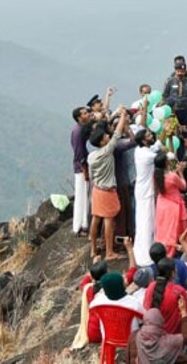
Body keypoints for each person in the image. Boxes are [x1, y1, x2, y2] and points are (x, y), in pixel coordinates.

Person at [88, 107, 130, 261]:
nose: (108, 136)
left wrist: (109, 117)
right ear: (101, 141)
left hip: (96, 189)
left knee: (96, 218)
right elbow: (118, 133)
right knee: (109, 220)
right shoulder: (107, 151)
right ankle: (109, 251)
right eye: (105, 136)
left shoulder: (92, 156)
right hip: (107, 191)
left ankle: (93, 248)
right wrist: (124, 116)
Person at [143, 258, 187, 338]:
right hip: (174, 336)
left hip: (154, 333)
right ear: (173, 273)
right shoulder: (178, 291)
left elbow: (146, 307)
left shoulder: (150, 287)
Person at [133, 129, 162, 266]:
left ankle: (142, 248)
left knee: (142, 221)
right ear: (144, 141)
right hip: (146, 192)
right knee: (146, 222)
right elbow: (163, 156)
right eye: (149, 136)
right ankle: (145, 255)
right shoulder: (146, 156)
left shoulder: (140, 150)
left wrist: (165, 134)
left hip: (143, 190)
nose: (152, 136)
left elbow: (156, 147)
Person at [153, 156, 187, 255]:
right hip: (174, 205)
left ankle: (161, 250)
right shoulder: (172, 176)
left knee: (164, 230)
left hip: (161, 205)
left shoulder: (155, 175)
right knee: (174, 230)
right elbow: (183, 186)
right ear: (166, 163)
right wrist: (180, 172)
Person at [71, 107, 93, 236]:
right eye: (84, 113)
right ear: (79, 118)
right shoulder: (78, 132)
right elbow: (79, 154)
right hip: (81, 168)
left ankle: (83, 224)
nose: (87, 114)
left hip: (82, 166)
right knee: (81, 196)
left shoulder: (81, 129)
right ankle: (79, 226)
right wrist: (85, 171)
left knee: (84, 195)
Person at [163, 62, 187, 128]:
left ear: (185, 72)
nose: (180, 73)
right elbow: (164, 95)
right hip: (173, 111)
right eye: (178, 71)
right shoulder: (170, 81)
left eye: (182, 71)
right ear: (175, 71)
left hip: (184, 110)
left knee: (184, 129)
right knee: (174, 129)